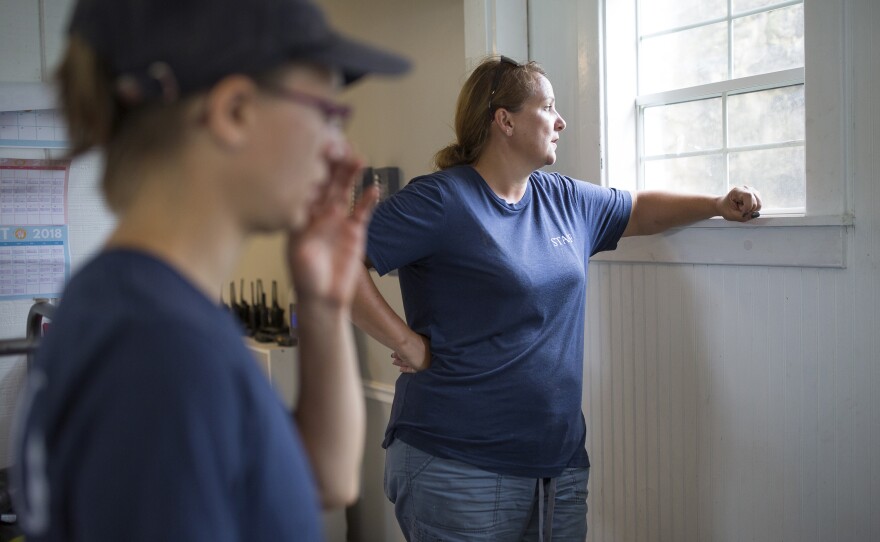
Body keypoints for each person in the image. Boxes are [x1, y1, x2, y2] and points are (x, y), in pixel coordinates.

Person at [10, 0, 408, 540]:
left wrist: (323, 303)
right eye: (325, 112)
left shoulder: (137, 305)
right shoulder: (160, 350)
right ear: (234, 112)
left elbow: (321, 480)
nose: (339, 147)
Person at [351, 56, 761, 541]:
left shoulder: (563, 198)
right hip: (458, 463)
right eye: (547, 106)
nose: (561, 120)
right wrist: (406, 340)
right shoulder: (442, 200)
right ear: (504, 120)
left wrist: (716, 205)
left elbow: (639, 210)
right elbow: (332, 262)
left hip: (558, 467)